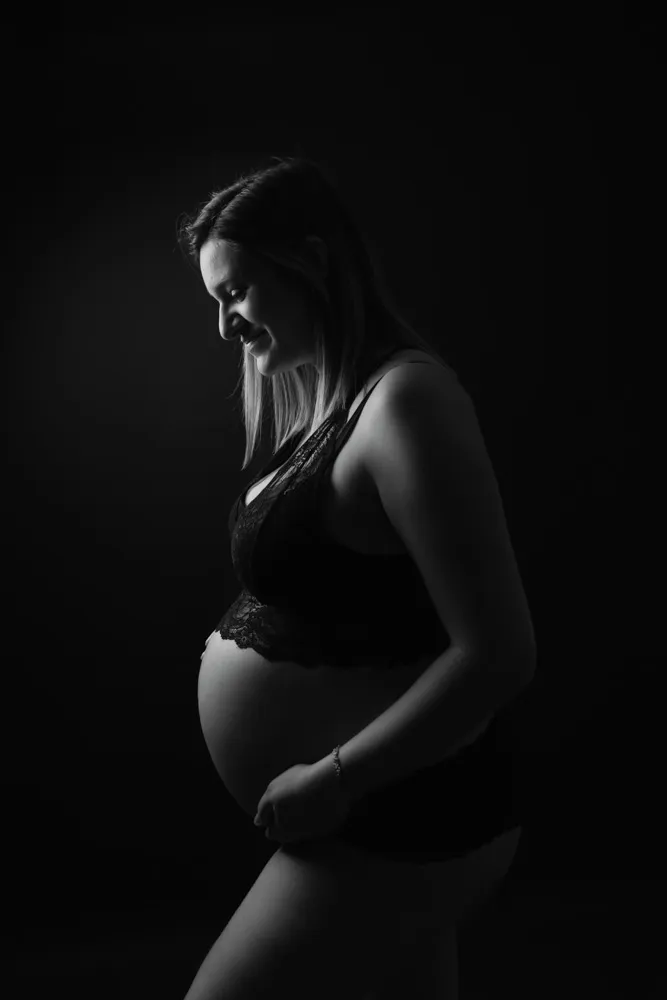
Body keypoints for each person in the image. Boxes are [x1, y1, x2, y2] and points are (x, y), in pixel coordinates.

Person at [177, 156, 536, 999]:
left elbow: (498, 653)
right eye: (215, 302)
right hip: (362, 821)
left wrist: (332, 778)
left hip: (403, 820)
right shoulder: (338, 410)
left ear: (310, 262)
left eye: (236, 292)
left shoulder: (407, 402)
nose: (225, 326)